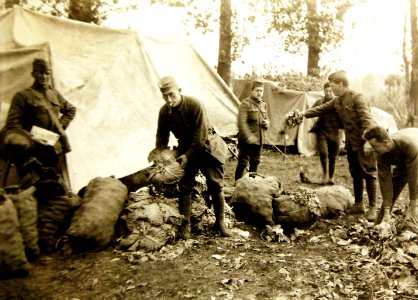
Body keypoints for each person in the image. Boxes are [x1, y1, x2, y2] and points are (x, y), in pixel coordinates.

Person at [155, 76, 232, 239]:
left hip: (206, 147)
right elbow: (161, 137)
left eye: (172, 95)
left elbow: (200, 136)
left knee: (215, 184)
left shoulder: (195, 104)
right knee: (185, 186)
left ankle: (220, 223)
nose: (169, 100)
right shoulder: (164, 112)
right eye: (165, 96)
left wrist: (187, 156)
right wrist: (161, 157)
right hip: (185, 149)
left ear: (180, 92)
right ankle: (186, 225)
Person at [301, 70, 379, 221]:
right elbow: (321, 109)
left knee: (368, 174)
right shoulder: (338, 100)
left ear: (341, 84)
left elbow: (367, 120)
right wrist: (303, 114)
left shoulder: (357, 98)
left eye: (333, 86)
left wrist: (370, 141)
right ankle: (358, 204)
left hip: (365, 143)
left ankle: (373, 208)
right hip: (351, 143)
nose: (331, 89)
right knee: (355, 173)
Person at [2, 58, 76, 194]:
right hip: (33, 150)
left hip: (55, 148)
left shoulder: (55, 94)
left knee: (53, 185)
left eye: (47, 73)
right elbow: (13, 124)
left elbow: (71, 109)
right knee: (32, 186)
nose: (44, 76)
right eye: (40, 73)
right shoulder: (23, 96)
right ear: (33, 74)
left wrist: (60, 126)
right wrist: (31, 137)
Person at [364, 125, 418, 224]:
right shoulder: (381, 154)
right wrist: (386, 211)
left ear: (385, 143)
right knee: (395, 186)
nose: (373, 149)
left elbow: (414, 177)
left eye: (374, 146)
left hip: (415, 151)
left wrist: (413, 205)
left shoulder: (409, 146)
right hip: (403, 160)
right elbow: (385, 183)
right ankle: (380, 223)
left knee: (415, 207)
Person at [234, 80, 269, 181]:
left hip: (259, 139)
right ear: (252, 91)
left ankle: (251, 185)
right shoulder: (245, 104)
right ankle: (237, 184)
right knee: (242, 163)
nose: (259, 93)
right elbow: (241, 123)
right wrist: (249, 136)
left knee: (255, 163)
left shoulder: (263, 104)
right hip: (246, 141)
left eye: (261, 91)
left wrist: (267, 123)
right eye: (257, 90)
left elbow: (266, 118)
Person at [309, 82, 342, 185]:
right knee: (323, 153)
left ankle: (331, 177)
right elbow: (311, 111)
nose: (329, 93)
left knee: (333, 156)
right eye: (327, 91)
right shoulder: (319, 102)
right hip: (322, 131)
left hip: (335, 133)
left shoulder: (338, 103)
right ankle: (325, 174)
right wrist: (314, 119)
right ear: (324, 91)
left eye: (331, 91)